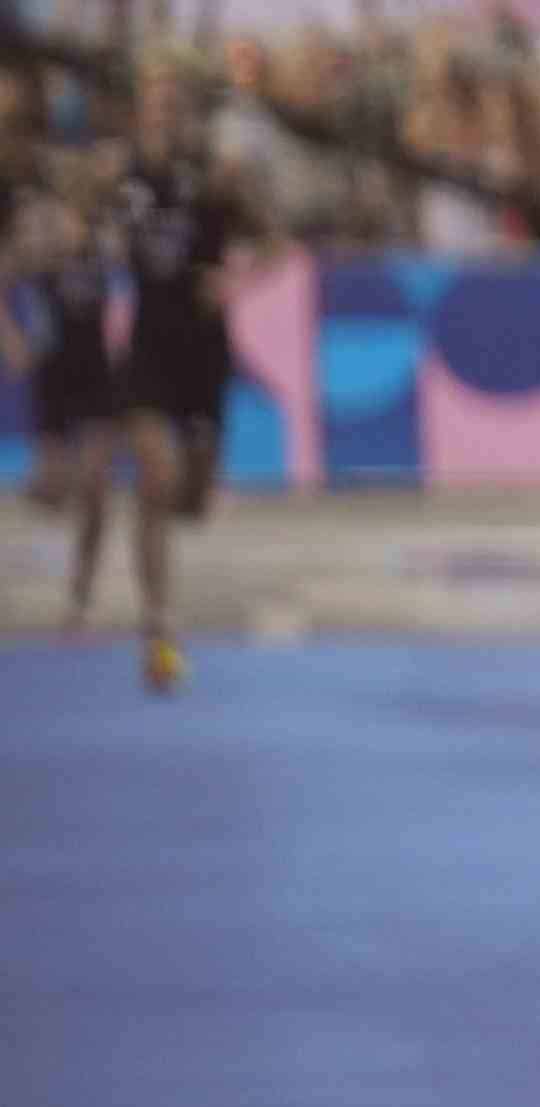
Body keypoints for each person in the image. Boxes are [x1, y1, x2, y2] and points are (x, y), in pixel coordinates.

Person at [110, 75, 255, 695]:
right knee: (156, 479)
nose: (162, 118)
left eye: (172, 107)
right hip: (147, 349)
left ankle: (168, 520)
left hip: (202, 351)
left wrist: (231, 281)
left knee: (191, 499)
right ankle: (159, 623)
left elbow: (272, 241)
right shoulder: (118, 182)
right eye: (153, 107)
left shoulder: (214, 184)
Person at [5, 167, 122, 632]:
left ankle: (81, 595)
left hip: (96, 377)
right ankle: (44, 491)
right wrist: (12, 338)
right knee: (51, 491)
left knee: (94, 492)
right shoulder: (41, 244)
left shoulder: (104, 244)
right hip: (53, 377)